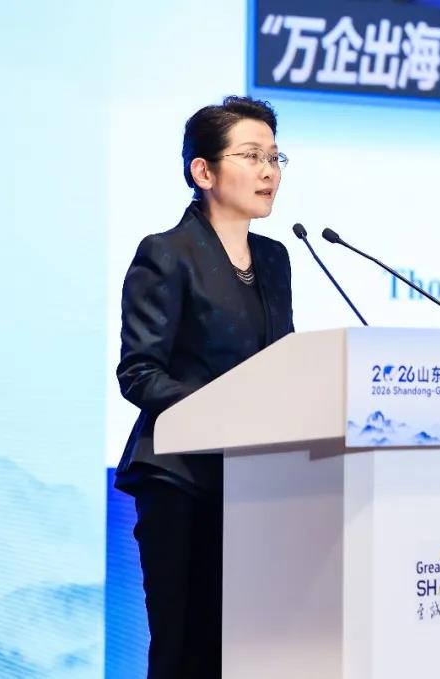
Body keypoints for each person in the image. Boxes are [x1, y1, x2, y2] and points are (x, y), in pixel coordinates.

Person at [114, 95, 294, 678]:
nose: (269, 171)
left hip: (256, 482)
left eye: (275, 157)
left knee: (245, 652)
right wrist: (226, 410)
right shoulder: (167, 254)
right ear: (203, 171)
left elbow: (283, 363)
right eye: (252, 155)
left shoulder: (275, 259)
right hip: (181, 480)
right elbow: (140, 373)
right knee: (186, 651)